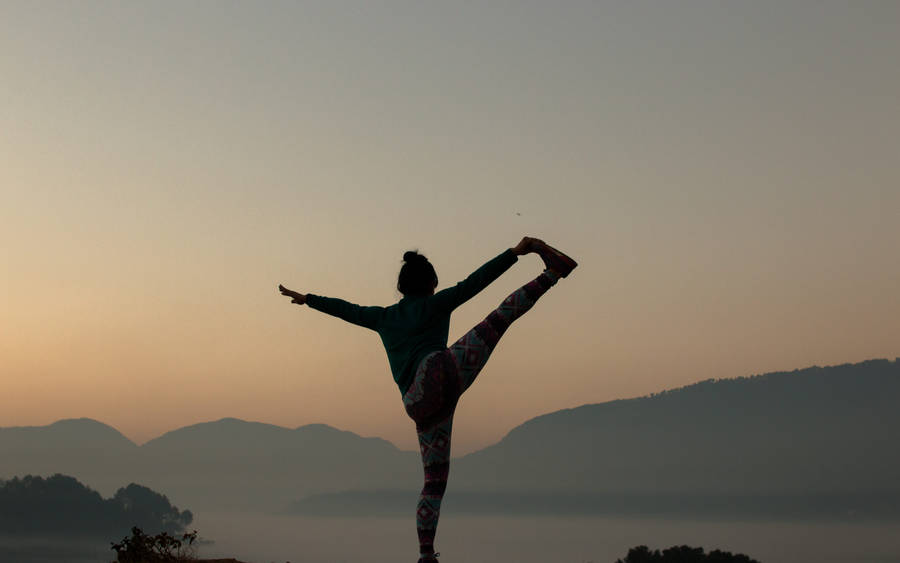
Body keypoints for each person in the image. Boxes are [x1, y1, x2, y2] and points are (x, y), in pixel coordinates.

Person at [278, 237, 576, 562]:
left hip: (420, 406)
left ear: (402, 287)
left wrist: (308, 299)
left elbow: (347, 310)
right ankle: (552, 274)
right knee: (498, 319)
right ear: (432, 282)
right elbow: (477, 281)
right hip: (440, 374)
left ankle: (425, 555)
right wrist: (516, 253)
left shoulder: (383, 317)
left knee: (433, 482)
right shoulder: (437, 303)